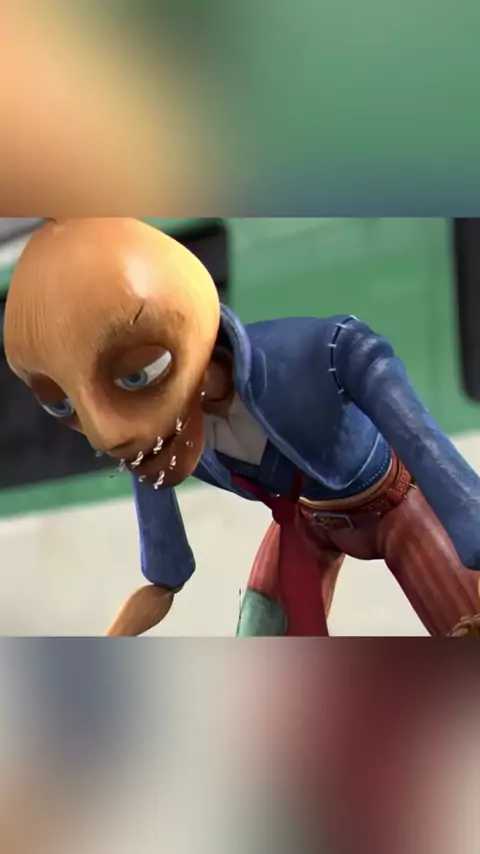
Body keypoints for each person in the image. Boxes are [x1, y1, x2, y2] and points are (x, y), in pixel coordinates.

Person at [4, 217, 480, 636]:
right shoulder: (151, 440)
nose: (105, 434)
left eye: (137, 375)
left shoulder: (318, 357)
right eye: (62, 404)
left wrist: (471, 526)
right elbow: (165, 574)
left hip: (395, 505)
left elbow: (366, 364)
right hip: (306, 523)